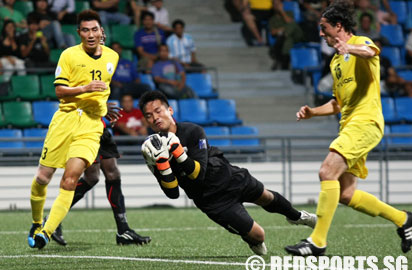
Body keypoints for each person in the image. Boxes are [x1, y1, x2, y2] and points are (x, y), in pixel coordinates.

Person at [285, 0, 412, 256]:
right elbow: (337, 103)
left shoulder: (361, 43)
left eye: (324, 28)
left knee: (326, 171)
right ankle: (404, 220)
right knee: (346, 194)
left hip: (365, 123)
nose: (321, 34)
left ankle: (317, 241)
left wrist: (350, 48)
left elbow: (372, 52)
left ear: (338, 25)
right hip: (349, 126)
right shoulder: (335, 62)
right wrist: (313, 112)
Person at [139, 90, 317, 255]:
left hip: (230, 177)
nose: (155, 117)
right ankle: (249, 238)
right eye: (149, 116)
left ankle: (297, 217)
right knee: (258, 236)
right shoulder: (151, 150)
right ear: (146, 121)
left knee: (267, 197)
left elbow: (198, 173)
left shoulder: (193, 131)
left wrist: (177, 152)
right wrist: (162, 163)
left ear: (170, 110)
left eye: (158, 111)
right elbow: (172, 193)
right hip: (212, 201)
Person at [27, 9, 119, 250]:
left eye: (95, 29)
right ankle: (37, 222)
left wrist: (103, 106)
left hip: (90, 126)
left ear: (102, 32)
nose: (90, 34)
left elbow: (104, 87)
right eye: (85, 30)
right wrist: (85, 88)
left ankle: (45, 232)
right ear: (78, 33)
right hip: (65, 120)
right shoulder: (68, 55)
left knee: (70, 179)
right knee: (42, 178)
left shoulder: (113, 57)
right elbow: (59, 91)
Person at [49, 113, 152, 246]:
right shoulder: (71, 91)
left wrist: (103, 111)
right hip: (84, 131)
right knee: (92, 177)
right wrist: (102, 108)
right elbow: (76, 100)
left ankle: (123, 230)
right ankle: (52, 219)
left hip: (100, 128)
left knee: (113, 174)